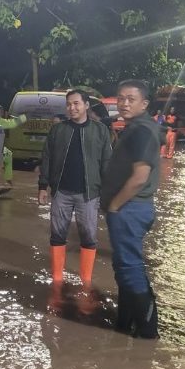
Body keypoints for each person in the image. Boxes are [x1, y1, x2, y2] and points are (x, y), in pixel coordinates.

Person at [102, 80, 162, 339]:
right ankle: (125, 324)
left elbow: (139, 177)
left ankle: (148, 333)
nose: (124, 103)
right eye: (120, 98)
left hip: (130, 208)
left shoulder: (142, 131)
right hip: (130, 208)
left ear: (144, 104)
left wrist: (115, 206)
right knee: (124, 267)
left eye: (131, 99)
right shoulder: (135, 128)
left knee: (130, 268)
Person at [38, 90, 113, 288]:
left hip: (89, 194)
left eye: (76, 103)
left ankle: (85, 282)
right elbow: (47, 158)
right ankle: (57, 280)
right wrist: (43, 187)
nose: (72, 108)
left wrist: (107, 194)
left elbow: (106, 163)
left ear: (86, 105)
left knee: (88, 236)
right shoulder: (58, 130)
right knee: (57, 235)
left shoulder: (100, 131)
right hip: (61, 191)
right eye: (69, 104)